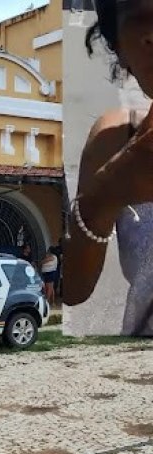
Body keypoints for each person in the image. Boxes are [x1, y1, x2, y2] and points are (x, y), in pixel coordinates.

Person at [62, 0, 153, 335]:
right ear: (118, 48)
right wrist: (104, 194)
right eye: (135, 16)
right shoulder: (116, 139)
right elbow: (72, 290)